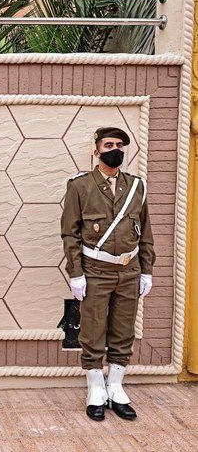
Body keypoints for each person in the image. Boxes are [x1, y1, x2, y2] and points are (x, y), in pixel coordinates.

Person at [61, 126, 155, 422]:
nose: (115, 149)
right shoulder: (80, 186)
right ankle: (95, 389)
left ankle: (115, 386)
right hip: (95, 270)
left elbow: (146, 233)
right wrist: (76, 273)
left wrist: (147, 271)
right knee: (92, 329)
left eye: (119, 144)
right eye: (109, 144)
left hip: (130, 269)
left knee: (123, 329)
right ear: (96, 150)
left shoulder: (136, 186)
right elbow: (70, 234)